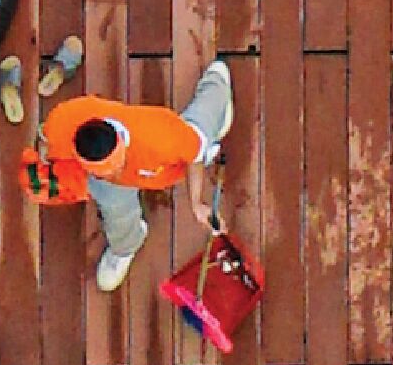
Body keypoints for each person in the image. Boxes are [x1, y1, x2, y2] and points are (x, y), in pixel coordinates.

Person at [22, 61, 236, 293]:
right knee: (114, 206)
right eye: (104, 170)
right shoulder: (62, 124)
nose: (113, 172)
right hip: (111, 183)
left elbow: (195, 156)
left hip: (168, 155)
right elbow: (44, 146)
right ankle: (126, 245)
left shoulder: (163, 136)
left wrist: (196, 203)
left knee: (200, 129)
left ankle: (217, 86)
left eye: (115, 165)